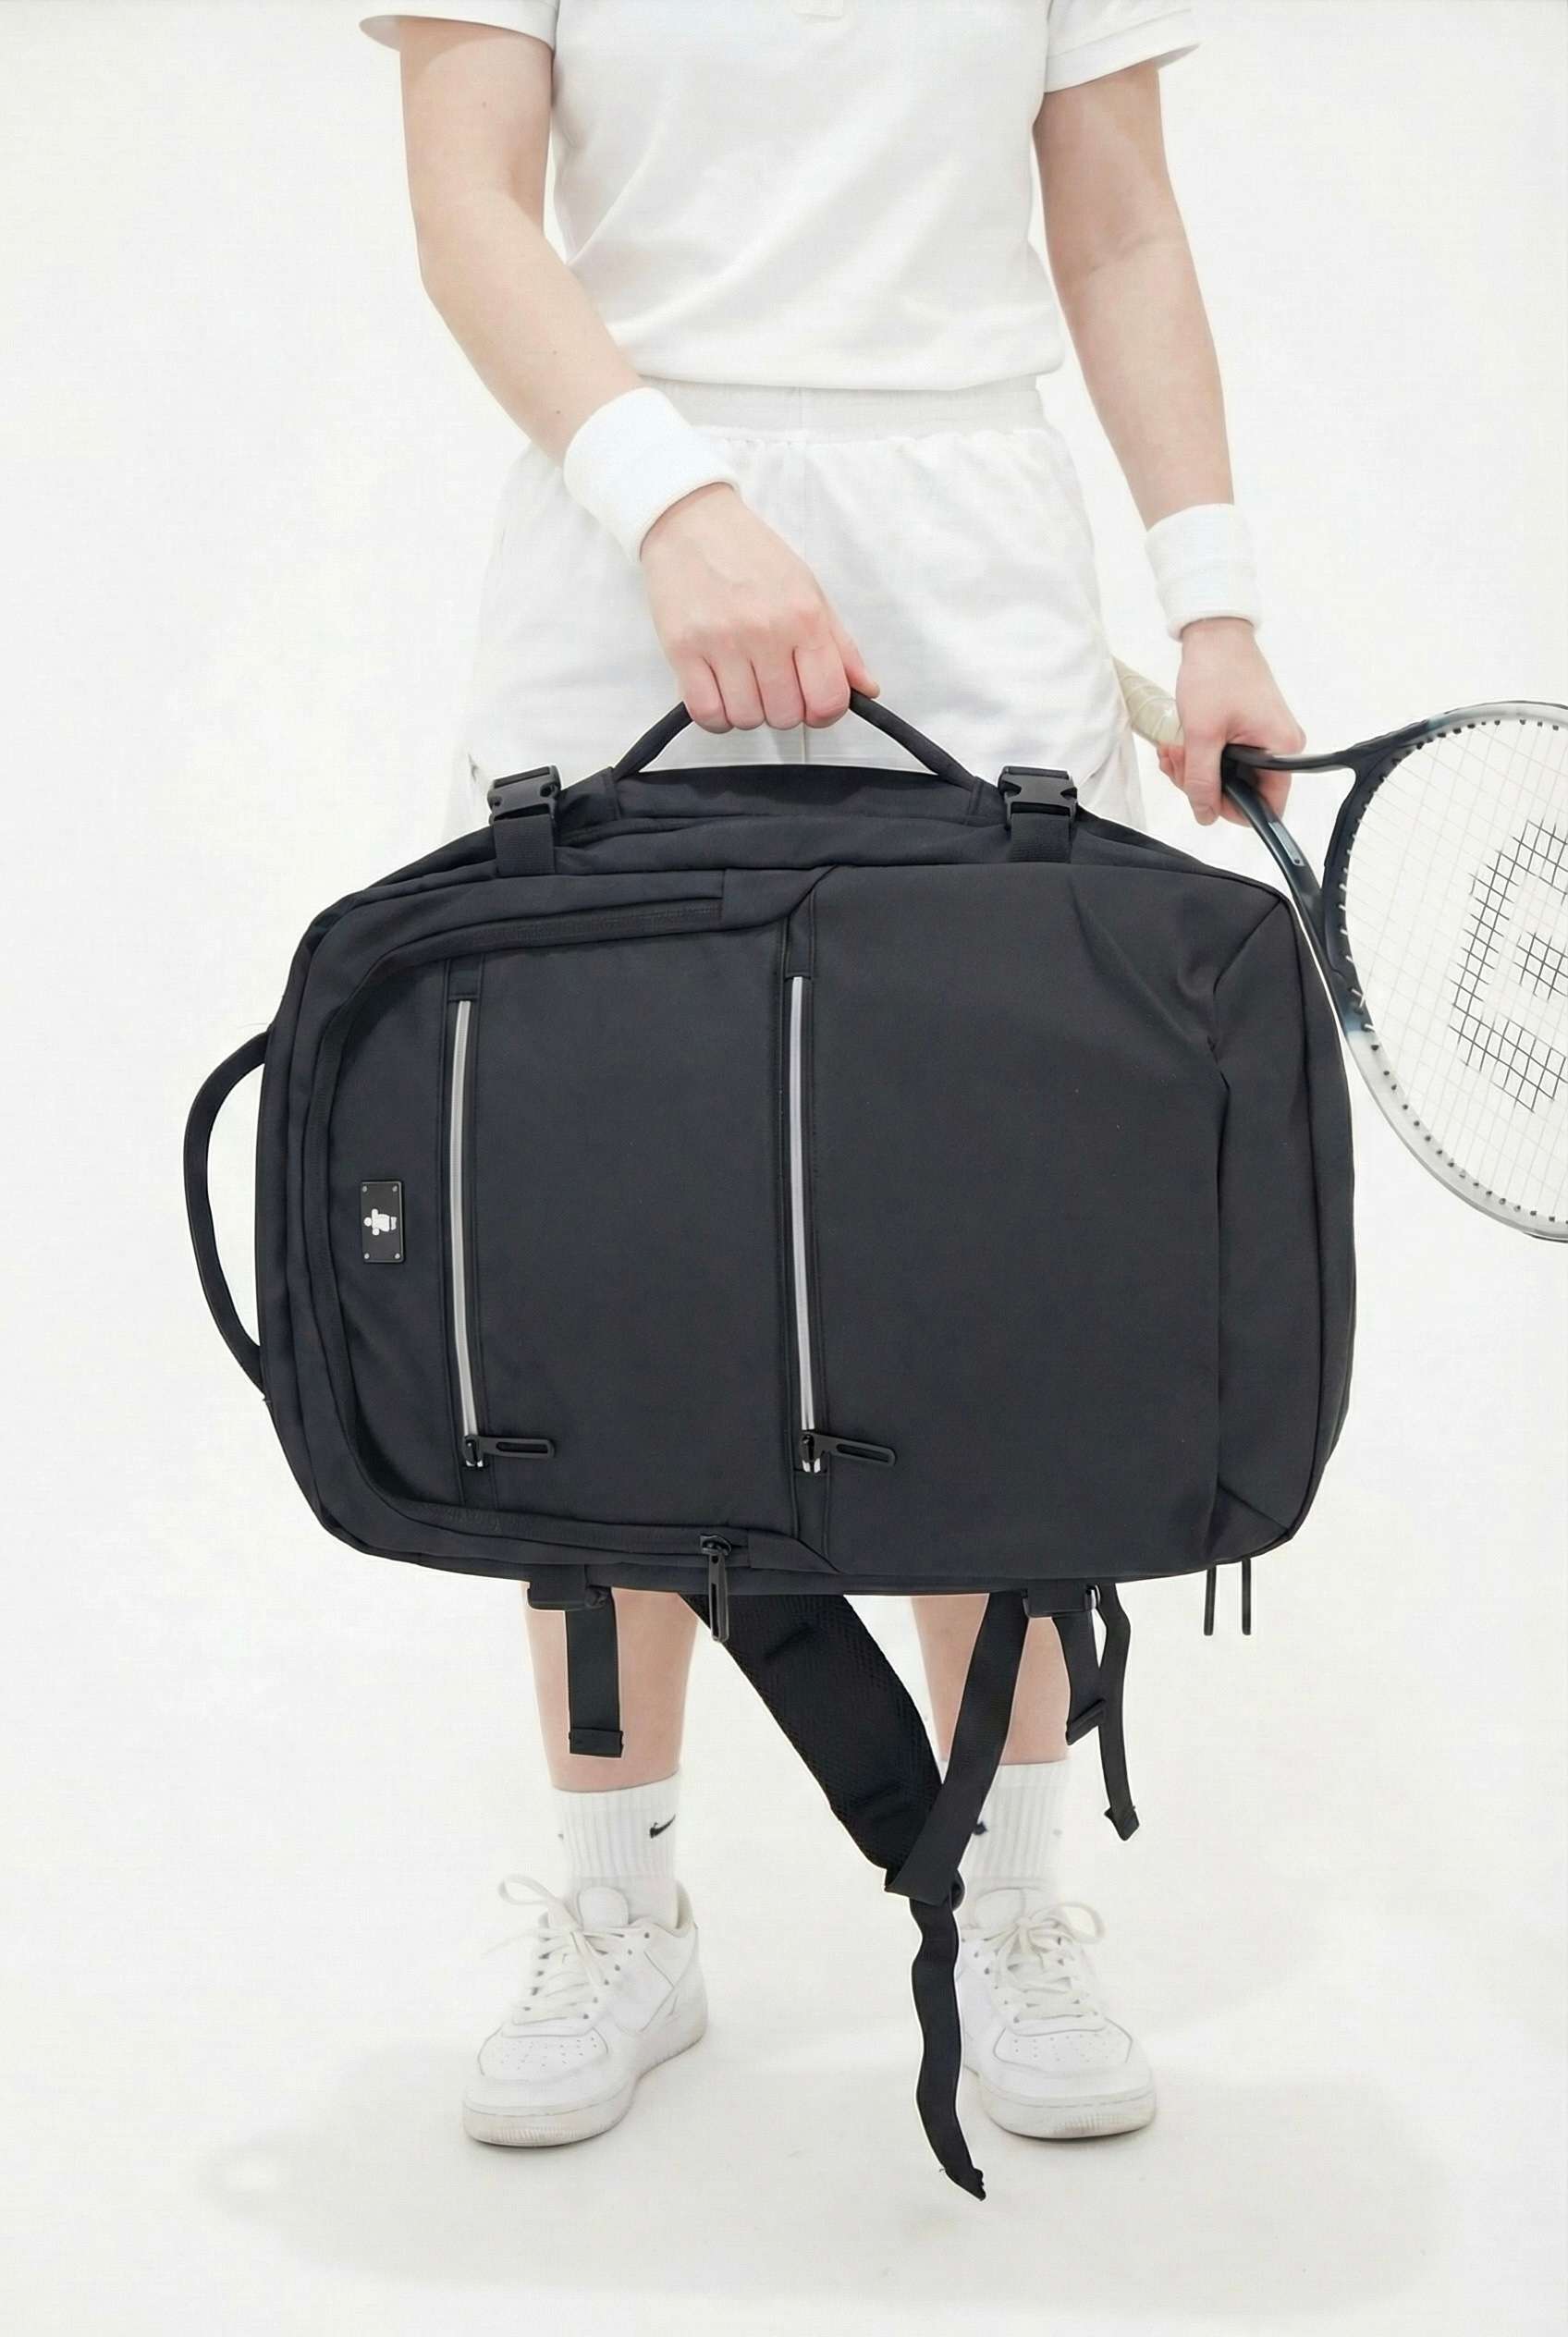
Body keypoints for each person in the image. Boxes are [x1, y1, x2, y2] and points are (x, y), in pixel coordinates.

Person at [360, 0, 1305, 2155]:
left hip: (973, 555)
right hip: (617, 543)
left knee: (988, 1254)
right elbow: (467, 203)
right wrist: (673, 501)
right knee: (593, 1256)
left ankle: (1008, 1899)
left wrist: (1212, 605)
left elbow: (1119, 226)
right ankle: (618, 1906)